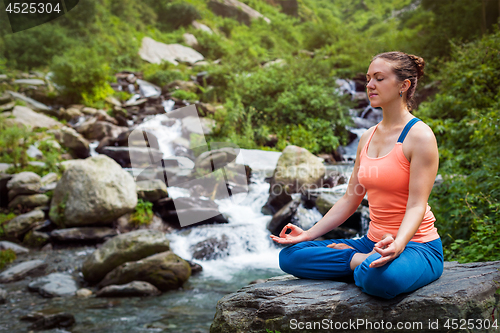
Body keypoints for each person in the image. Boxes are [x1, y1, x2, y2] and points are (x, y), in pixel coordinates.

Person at [270, 51, 444, 300]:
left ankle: (364, 265)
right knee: (290, 256)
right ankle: (360, 261)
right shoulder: (367, 137)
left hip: (417, 246)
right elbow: (350, 199)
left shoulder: (420, 136)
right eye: (368, 78)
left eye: (379, 78)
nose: (370, 85)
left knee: (381, 279)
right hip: (371, 244)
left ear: (403, 86)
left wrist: (398, 244)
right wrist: (309, 234)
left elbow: (417, 205)